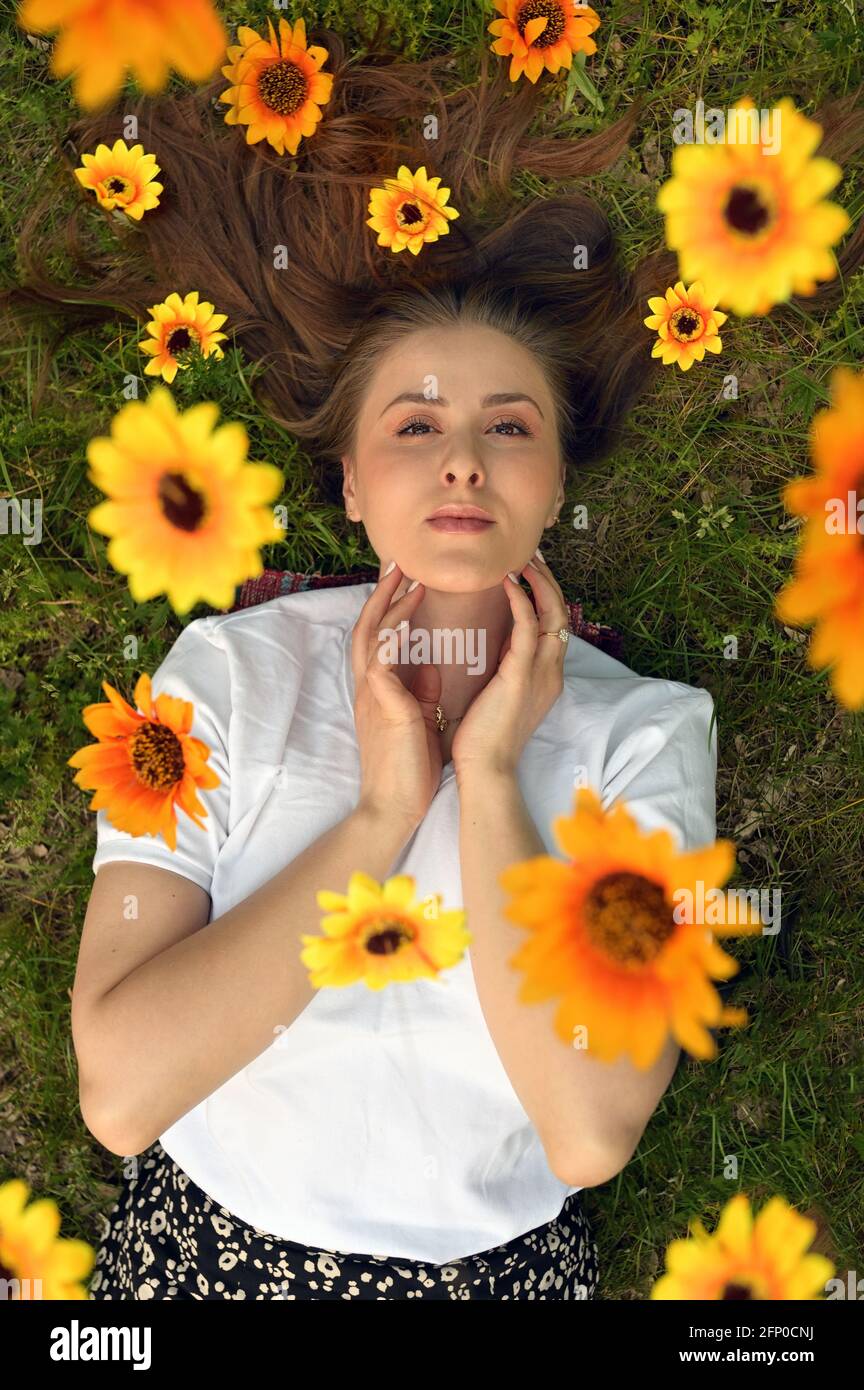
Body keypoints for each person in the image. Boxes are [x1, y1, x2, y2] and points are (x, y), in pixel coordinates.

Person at [9, 22, 861, 1302]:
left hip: (489, 1270)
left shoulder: (648, 736)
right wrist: (384, 809)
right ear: (350, 483)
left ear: (555, 480)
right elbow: (124, 1096)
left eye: (507, 425)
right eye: (415, 423)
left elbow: (586, 1130)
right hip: (207, 1245)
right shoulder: (226, 673)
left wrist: (496, 778)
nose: (463, 457)